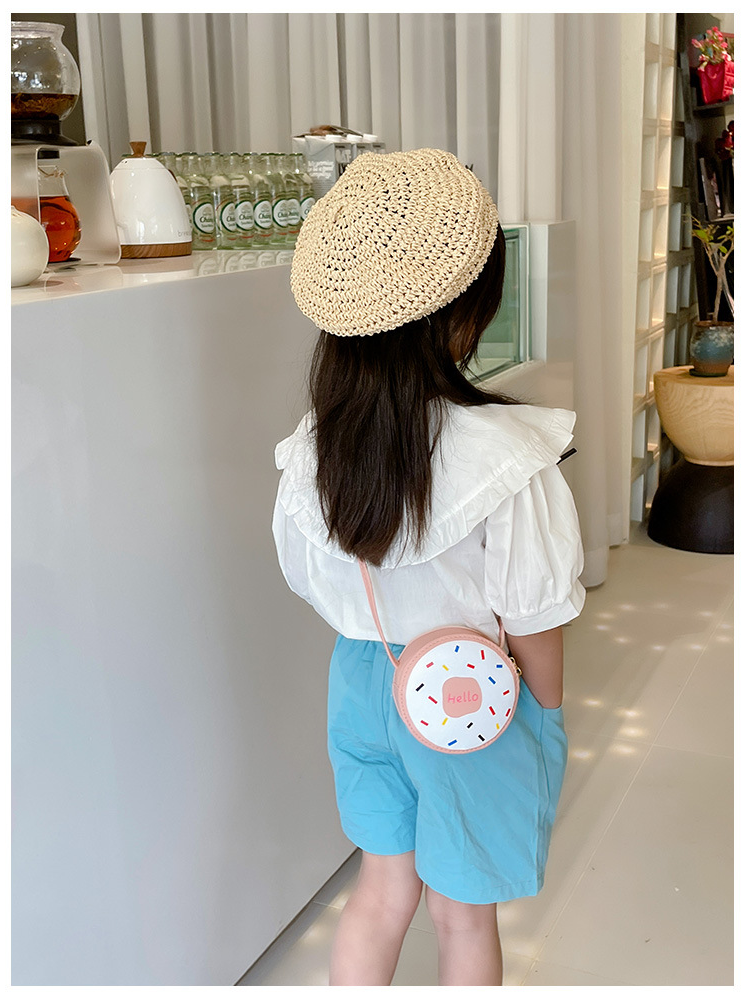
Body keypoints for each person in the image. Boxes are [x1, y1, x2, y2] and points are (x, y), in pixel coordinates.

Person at [272, 148, 585, 986]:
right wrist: (546, 714)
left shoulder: (309, 453)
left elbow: (308, 578)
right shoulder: (507, 458)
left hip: (361, 682)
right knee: (463, 913)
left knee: (380, 893)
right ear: (473, 304)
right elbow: (535, 613)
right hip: (469, 697)